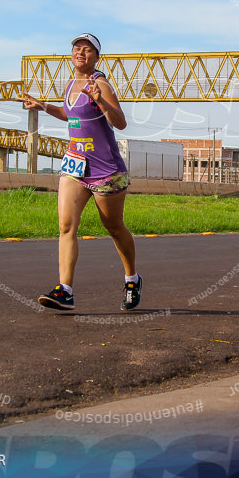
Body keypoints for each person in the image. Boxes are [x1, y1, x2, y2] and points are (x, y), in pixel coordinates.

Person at [20, 33, 141, 311]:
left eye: (87, 50)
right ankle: (65, 290)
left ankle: (132, 279)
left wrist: (102, 101)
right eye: (77, 49)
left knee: (114, 227)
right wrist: (43, 106)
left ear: (96, 57)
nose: (80, 53)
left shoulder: (101, 84)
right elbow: (70, 113)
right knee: (66, 226)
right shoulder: (71, 83)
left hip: (106, 170)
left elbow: (120, 123)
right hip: (75, 164)